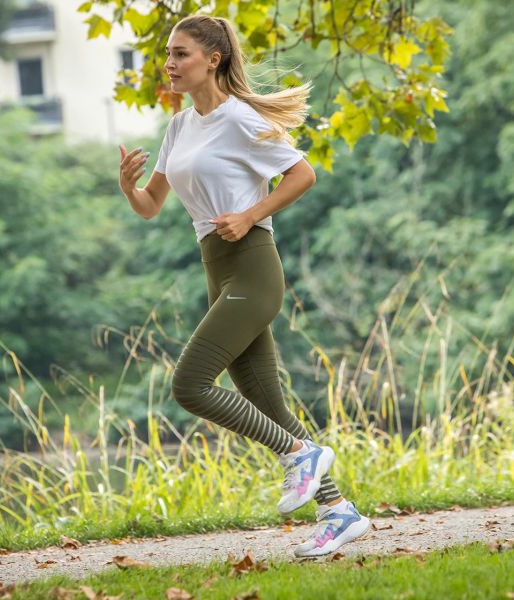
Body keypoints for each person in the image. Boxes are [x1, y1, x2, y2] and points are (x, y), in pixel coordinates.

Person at [117, 13, 370, 558]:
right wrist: (128, 187)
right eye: (168, 54)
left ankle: (300, 455)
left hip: (253, 267)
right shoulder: (180, 126)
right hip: (217, 268)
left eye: (181, 53)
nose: (169, 63)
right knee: (265, 400)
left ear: (213, 59)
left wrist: (251, 213)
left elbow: (303, 174)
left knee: (190, 386)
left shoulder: (239, 119)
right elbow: (151, 206)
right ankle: (337, 511)